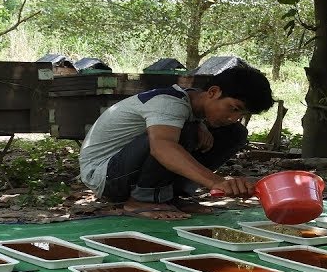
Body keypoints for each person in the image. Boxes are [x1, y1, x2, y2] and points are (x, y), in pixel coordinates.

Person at [78, 67, 275, 220]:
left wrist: (199, 123)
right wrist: (217, 182)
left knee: (235, 133)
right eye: (233, 108)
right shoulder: (168, 103)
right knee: (175, 137)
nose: (234, 117)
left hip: (125, 170)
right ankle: (141, 200)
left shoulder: (190, 104)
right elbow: (162, 147)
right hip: (105, 176)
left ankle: (170, 197)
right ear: (213, 92)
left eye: (242, 114)